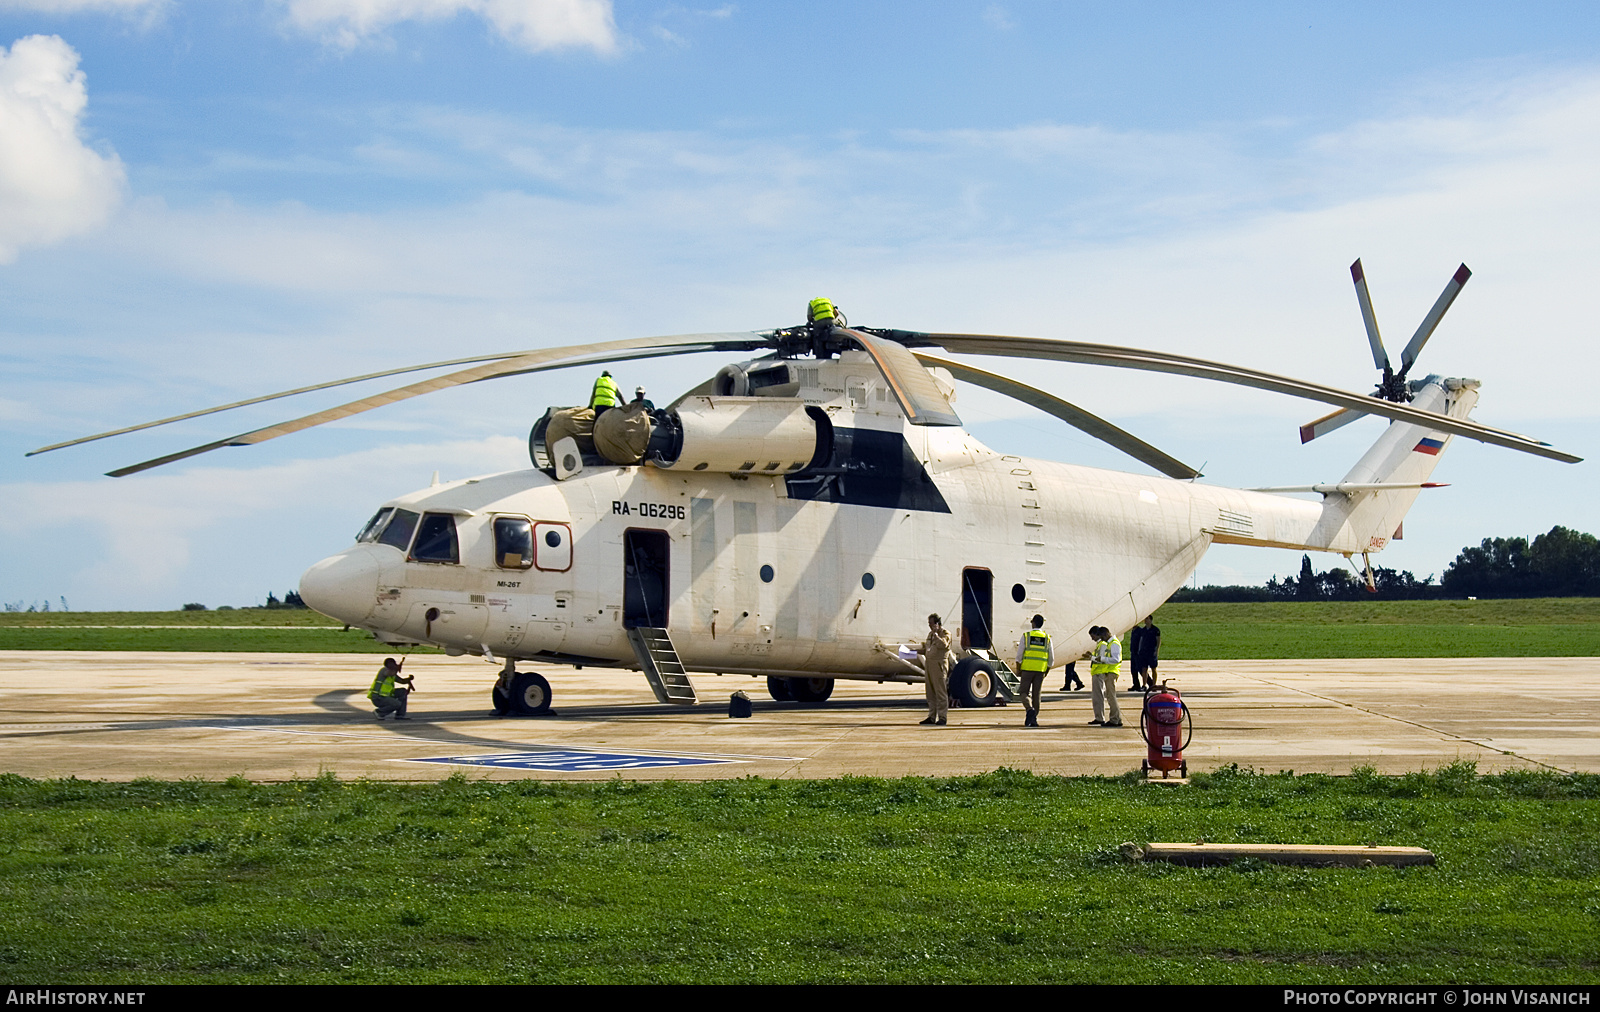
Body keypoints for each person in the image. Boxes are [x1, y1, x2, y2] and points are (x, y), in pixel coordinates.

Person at [1014, 613, 1053, 727]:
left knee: (1023, 692)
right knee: (1037, 695)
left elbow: (1019, 655)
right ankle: (1034, 718)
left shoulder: (1026, 636)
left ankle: (1029, 709)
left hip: (1027, 669)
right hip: (1040, 671)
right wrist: (1046, 671)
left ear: (1034, 623)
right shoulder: (1047, 638)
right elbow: (1051, 659)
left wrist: (1018, 669)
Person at [916, 613, 952, 726]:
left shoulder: (945, 633)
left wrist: (937, 635)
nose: (930, 626)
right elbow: (927, 649)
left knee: (940, 691)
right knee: (930, 692)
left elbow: (944, 645)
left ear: (937, 623)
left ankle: (942, 717)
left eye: (931, 623)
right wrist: (912, 652)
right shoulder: (930, 635)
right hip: (929, 665)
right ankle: (931, 716)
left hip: (939, 665)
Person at [1088, 626, 1123, 727]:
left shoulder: (1114, 644)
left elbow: (1116, 659)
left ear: (1105, 634)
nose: (1101, 640)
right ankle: (1116, 718)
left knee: (1111, 697)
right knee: (1110, 696)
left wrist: (1103, 659)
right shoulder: (1110, 643)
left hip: (1112, 672)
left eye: (1102, 637)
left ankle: (1115, 719)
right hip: (1109, 672)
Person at [1130, 615, 1161, 692]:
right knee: (1144, 669)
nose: (1145, 620)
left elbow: (1158, 641)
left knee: (1153, 669)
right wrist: (1139, 650)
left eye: (1147, 619)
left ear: (1150, 620)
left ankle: (1153, 684)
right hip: (1144, 652)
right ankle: (1144, 685)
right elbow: (1141, 640)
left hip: (1151, 652)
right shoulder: (1143, 630)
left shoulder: (1155, 630)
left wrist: (1156, 651)